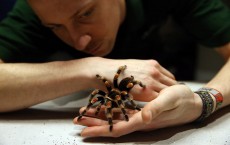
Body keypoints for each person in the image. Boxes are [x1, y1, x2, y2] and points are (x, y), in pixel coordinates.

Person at [0, 0, 230, 137]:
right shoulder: (38, 8)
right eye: (54, 27)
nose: (79, 40)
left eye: (86, 14)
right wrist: (87, 69)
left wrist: (202, 102)